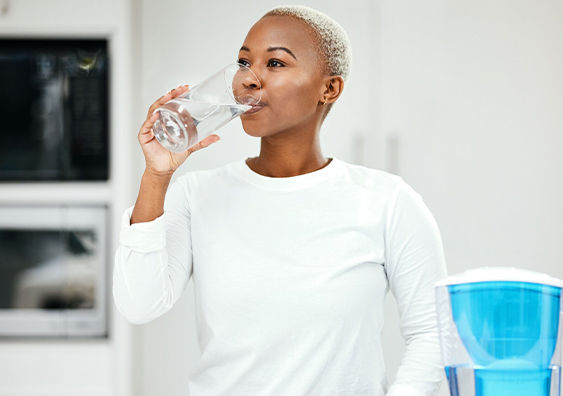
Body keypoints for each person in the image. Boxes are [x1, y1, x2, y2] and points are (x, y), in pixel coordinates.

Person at [113, 5, 447, 396]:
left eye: (275, 63)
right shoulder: (197, 195)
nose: (248, 80)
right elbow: (139, 304)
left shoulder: (387, 202)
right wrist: (157, 174)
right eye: (243, 62)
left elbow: (433, 334)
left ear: (330, 88)